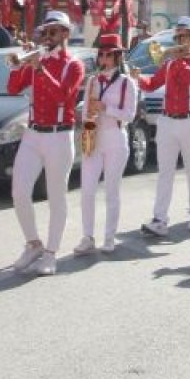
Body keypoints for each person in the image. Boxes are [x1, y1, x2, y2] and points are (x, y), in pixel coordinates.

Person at [6, 11, 85, 276]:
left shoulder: (73, 65)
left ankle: (51, 253)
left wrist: (40, 68)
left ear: (65, 34)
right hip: (33, 133)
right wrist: (22, 65)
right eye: (45, 32)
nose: (47, 37)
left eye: (53, 32)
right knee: (19, 191)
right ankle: (33, 243)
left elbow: (63, 97)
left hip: (59, 135)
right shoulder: (37, 61)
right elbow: (13, 89)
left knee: (56, 196)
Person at [135, 17, 190, 237]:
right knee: (164, 172)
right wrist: (137, 78)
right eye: (178, 36)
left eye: (186, 36)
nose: (181, 40)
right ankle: (160, 219)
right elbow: (153, 84)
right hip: (167, 121)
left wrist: (179, 61)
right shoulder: (170, 62)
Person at [74, 34, 138, 255]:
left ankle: (109, 237)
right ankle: (87, 236)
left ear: (118, 56)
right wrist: (86, 119)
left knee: (111, 191)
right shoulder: (92, 80)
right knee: (87, 190)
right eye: (101, 53)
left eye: (108, 54)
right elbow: (84, 111)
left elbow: (130, 115)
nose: (103, 57)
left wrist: (104, 108)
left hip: (115, 137)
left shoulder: (126, 83)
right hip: (93, 134)